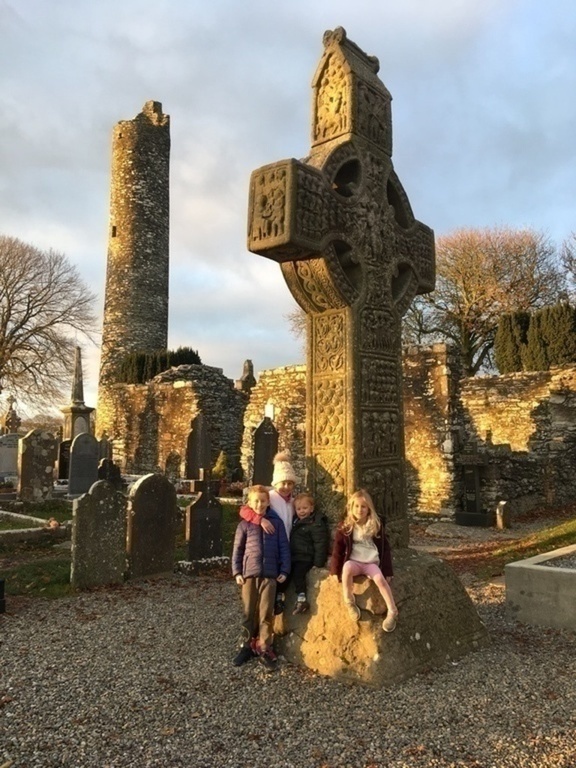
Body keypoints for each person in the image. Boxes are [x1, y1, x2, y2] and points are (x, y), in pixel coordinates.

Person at [231, 484, 291, 671]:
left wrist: (285, 570)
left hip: (270, 575)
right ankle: (246, 645)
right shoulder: (245, 525)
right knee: (249, 611)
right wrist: (237, 572)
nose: (259, 504)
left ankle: (265, 647)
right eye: (255, 501)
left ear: (268, 502)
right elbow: (238, 550)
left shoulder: (277, 523)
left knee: (266, 613)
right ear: (249, 502)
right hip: (250, 574)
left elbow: (284, 547)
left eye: (263, 501)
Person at [329, 488, 398, 632]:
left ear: (369, 509)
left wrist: (387, 570)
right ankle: (349, 602)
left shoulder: (375, 525)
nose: (360, 510)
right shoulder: (346, 526)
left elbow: (385, 548)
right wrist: (335, 570)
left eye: (363, 506)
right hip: (354, 561)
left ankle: (392, 610)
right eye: (357, 506)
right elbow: (338, 549)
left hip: (370, 562)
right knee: (346, 568)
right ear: (351, 508)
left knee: (379, 579)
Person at [239, 450, 298, 615]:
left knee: (283, 576)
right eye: (283, 483)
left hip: (285, 545)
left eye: (290, 483)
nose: (286, 487)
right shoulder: (269, 497)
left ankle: (278, 600)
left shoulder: (293, 501)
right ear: (276, 483)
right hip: (270, 546)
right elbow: (244, 510)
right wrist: (260, 520)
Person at [288, 491, 330, 614]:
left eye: (305, 508)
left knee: (298, 575)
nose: (301, 511)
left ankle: (302, 600)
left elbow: (320, 543)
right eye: (298, 509)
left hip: (305, 557)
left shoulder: (315, 523)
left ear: (311, 508)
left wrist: (318, 563)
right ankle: (279, 598)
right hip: (294, 556)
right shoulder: (296, 521)